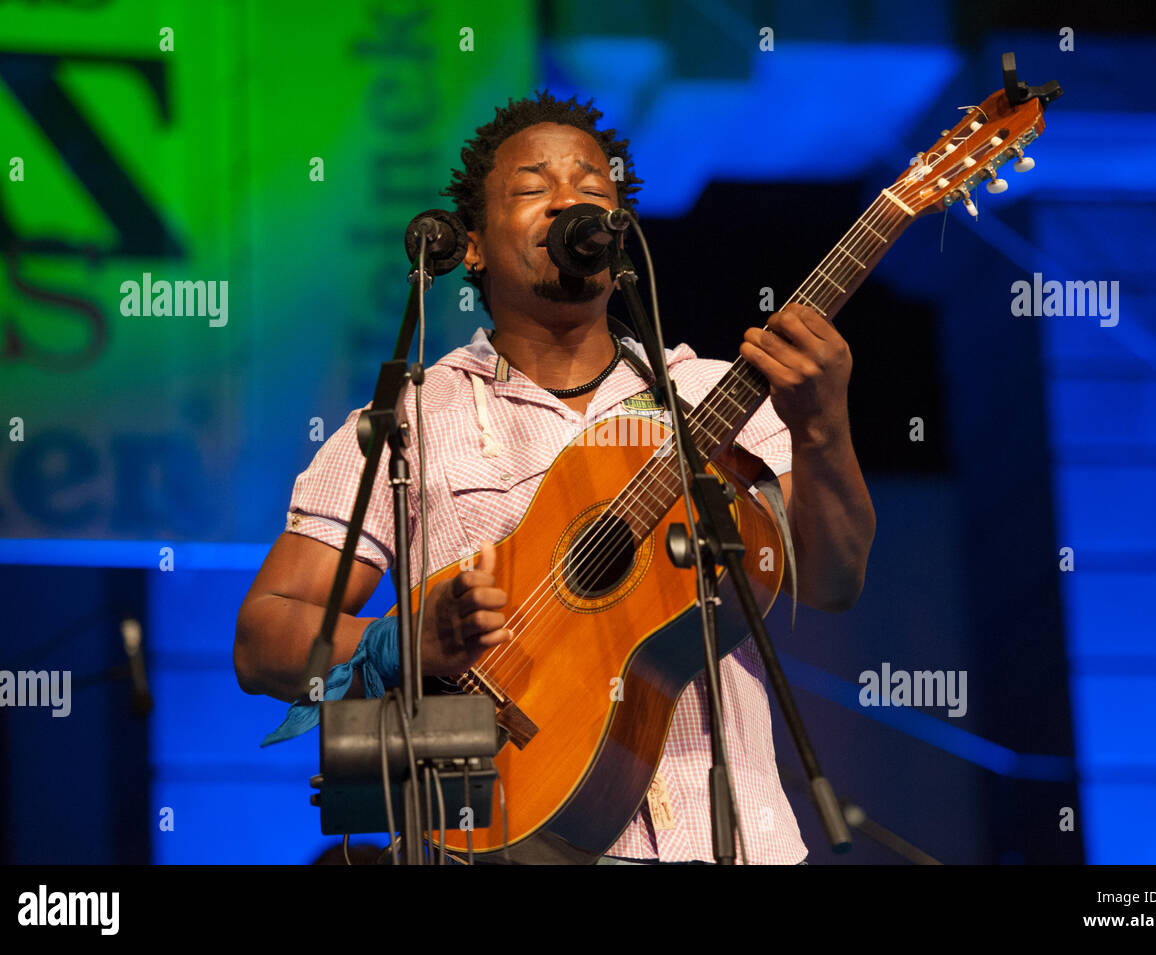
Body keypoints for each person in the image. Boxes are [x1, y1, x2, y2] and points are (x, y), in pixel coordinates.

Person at [234, 91, 876, 864]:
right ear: (471, 246)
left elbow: (833, 581)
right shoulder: (410, 416)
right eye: (535, 188)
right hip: (509, 836)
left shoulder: (714, 395)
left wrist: (823, 424)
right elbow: (263, 636)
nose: (569, 202)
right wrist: (408, 640)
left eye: (593, 191)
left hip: (739, 842)